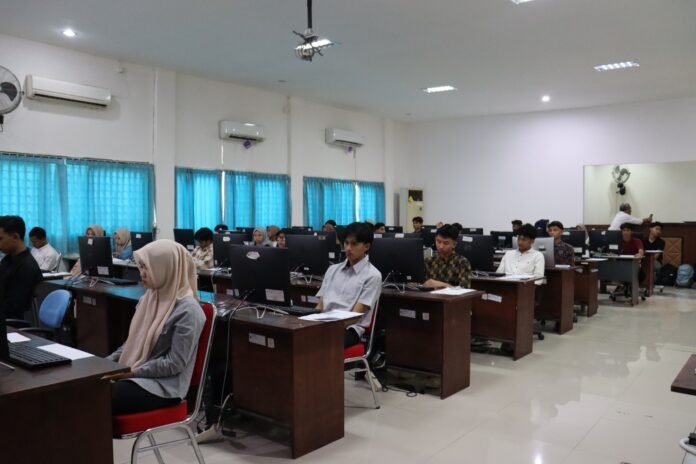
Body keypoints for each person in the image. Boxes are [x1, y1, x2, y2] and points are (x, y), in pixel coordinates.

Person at [104, 240, 205, 415]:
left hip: (164, 386)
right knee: (88, 385)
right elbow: (131, 344)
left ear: (166, 268)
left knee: (101, 396)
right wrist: (105, 364)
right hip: (136, 374)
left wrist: (131, 372)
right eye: (141, 267)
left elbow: (175, 363)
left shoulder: (188, 311)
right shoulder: (149, 299)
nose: (141, 273)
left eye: (147, 268)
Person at [315, 222, 382, 347]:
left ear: (367, 246)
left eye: (354, 244)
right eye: (346, 243)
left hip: (349, 329)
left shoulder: (373, 276)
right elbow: (320, 305)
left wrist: (324, 327)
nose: (348, 248)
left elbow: (355, 315)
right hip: (323, 324)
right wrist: (309, 323)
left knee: (316, 344)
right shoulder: (332, 270)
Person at [0, 216, 43, 320]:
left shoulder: (26, 267)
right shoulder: (7, 260)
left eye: (0, 239)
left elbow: (13, 308)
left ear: (15, 237)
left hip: (10, 323)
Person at [424, 224, 472, 289]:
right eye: (438, 241)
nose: (441, 246)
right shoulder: (428, 261)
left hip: (452, 296)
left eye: (446, 243)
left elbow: (465, 289)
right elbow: (422, 285)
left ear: (454, 244)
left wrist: (441, 285)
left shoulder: (462, 262)